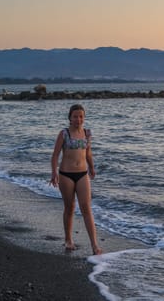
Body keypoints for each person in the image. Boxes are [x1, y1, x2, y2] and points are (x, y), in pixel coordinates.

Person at [50, 104, 102, 255]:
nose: (78, 119)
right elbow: (55, 155)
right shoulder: (64, 133)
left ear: (84, 118)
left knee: (86, 208)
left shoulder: (87, 133)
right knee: (70, 208)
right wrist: (54, 173)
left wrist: (92, 167)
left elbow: (88, 153)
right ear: (70, 118)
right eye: (75, 116)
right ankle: (68, 239)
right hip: (66, 175)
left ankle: (94, 245)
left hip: (82, 174)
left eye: (81, 116)